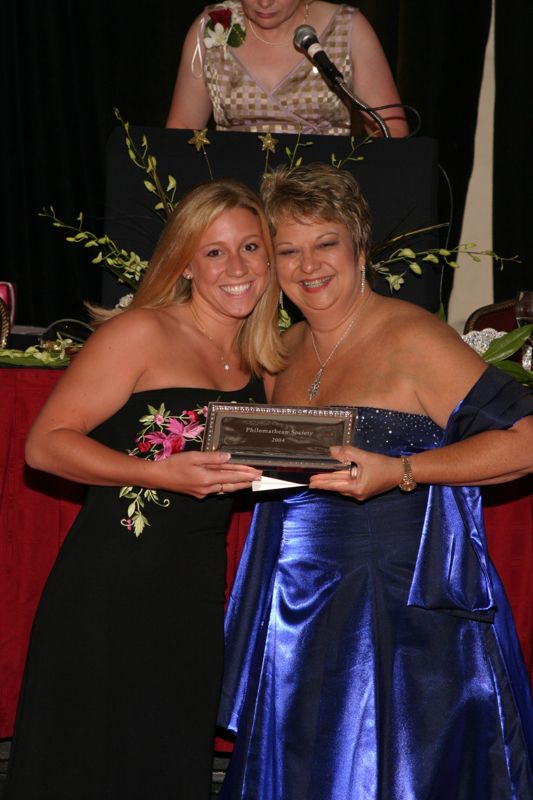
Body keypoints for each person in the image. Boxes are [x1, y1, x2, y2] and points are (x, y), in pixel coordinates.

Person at [217, 163, 533, 799]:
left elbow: (526, 438)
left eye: (325, 243)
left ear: (360, 248)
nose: (309, 265)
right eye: (288, 250)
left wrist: (405, 470)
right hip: (300, 611)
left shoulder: (413, 336)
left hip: (405, 612)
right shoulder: (281, 350)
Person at [4, 179, 285, 800]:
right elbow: (44, 445)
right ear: (185, 262)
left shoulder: (263, 361)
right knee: (86, 764)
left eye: (250, 247)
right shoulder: (140, 333)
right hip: (108, 586)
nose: (235, 268)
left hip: (190, 592)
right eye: (213, 252)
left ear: (270, 256)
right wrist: (153, 472)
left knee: (164, 760)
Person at [166, 1, 408, 137]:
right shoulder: (216, 26)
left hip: (322, 200)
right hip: (235, 201)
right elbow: (182, 130)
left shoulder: (346, 28)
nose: (264, 2)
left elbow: (391, 129)